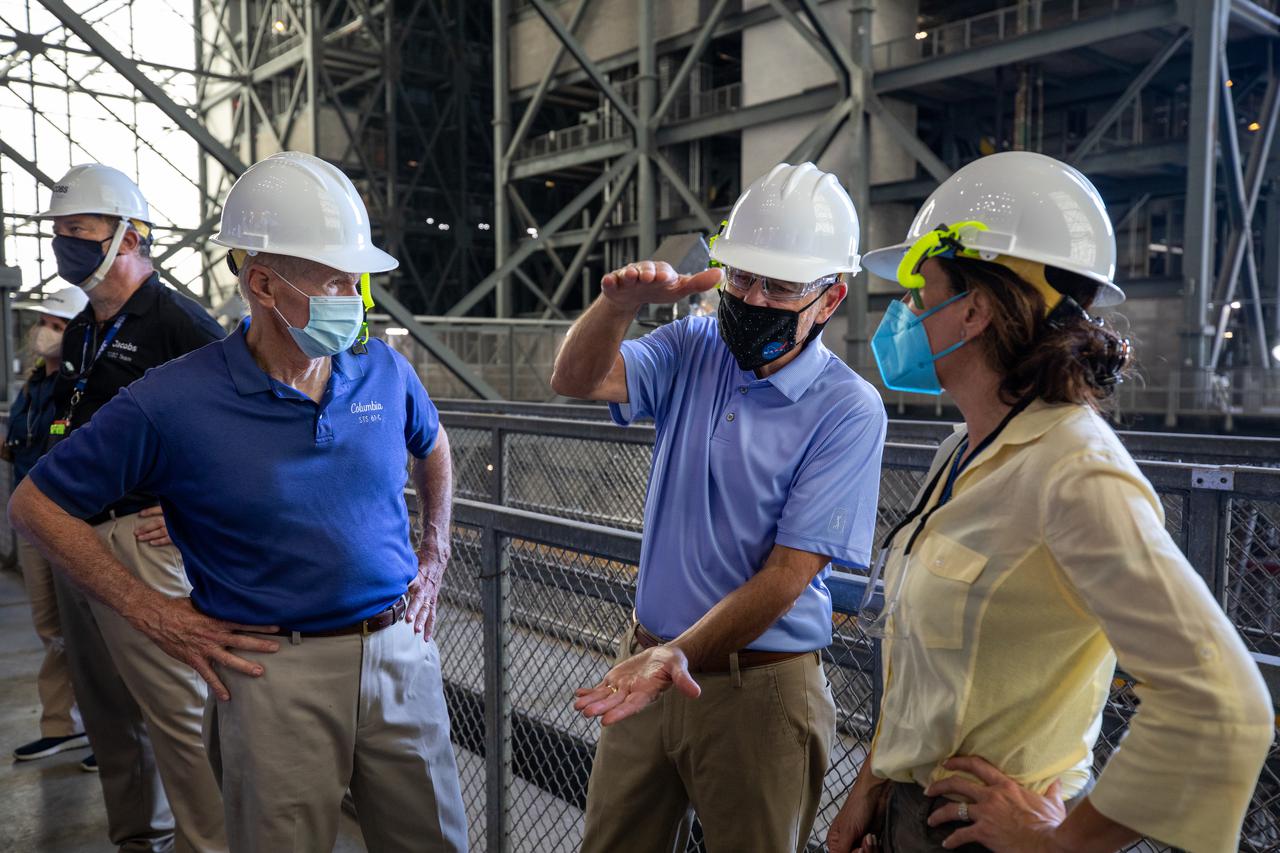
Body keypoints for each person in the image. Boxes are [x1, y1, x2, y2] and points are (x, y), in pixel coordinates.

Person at [10, 151, 468, 853]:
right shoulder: (172, 401)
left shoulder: (383, 369)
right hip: (272, 672)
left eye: (359, 280)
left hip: (401, 652)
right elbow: (36, 505)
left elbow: (432, 447)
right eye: (337, 281)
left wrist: (435, 553)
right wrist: (155, 615)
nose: (357, 298)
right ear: (262, 282)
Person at [825, 151, 1273, 853]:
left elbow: (1221, 702)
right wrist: (873, 786)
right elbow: (923, 657)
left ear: (971, 309)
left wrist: (1065, 843)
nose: (906, 311)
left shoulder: (1075, 472)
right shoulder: (964, 451)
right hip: (910, 817)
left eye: (921, 289)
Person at [553, 162, 888, 852]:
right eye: (740, 276)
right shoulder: (693, 346)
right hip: (646, 665)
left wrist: (677, 653)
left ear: (830, 299)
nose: (752, 296)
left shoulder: (847, 409)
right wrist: (618, 306)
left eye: (778, 285)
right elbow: (575, 377)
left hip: (756, 692)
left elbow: (790, 572)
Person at [36, 162, 229, 852]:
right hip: (75, 536)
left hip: (142, 542)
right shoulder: (86, 329)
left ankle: (211, 841)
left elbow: (244, 425)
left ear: (127, 237)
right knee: (108, 709)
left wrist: (188, 514)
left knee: (178, 714)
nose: (65, 243)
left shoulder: (179, 323)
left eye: (79, 230)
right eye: (59, 231)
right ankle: (135, 837)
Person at [6, 285, 91, 766]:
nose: (45, 332)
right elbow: (24, 438)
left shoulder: (84, 385)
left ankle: (114, 732)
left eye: (57, 326)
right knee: (51, 630)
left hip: (72, 520)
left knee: (95, 632)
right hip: (33, 518)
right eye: (45, 322)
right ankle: (63, 724)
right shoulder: (37, 381)